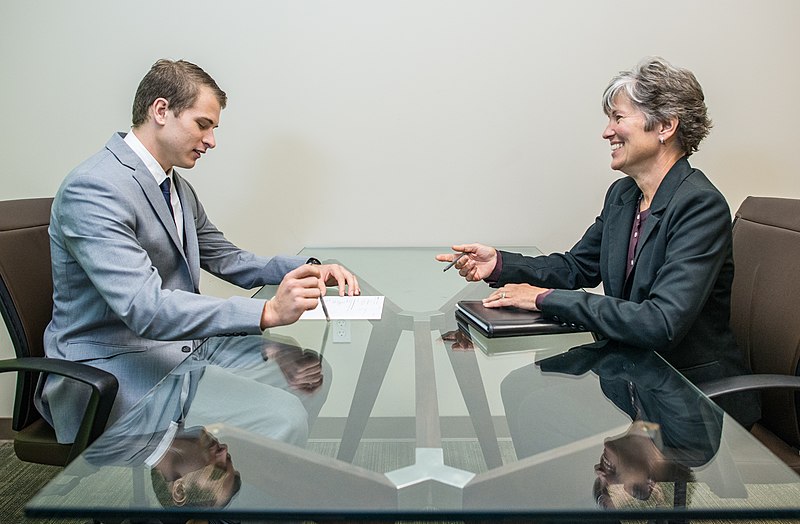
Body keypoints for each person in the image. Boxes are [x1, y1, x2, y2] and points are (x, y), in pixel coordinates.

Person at [36, 58, 358, 444]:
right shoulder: (94, 189)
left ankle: (239, 481)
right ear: (160, 110)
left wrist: (307, 268)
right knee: (282, 414)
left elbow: (228, 259)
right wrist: (268, 310)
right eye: (203, 125)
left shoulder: (176, 187)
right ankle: (235, 491)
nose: (211, 140)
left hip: (179, 348)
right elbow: (147, 309)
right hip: (114, 369)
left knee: (309, 372)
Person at [437, 57, 759, 427]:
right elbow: (577, 267)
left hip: (688, 390)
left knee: (541, 406)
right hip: (634, 367)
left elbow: (661, 322)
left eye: (618, 118)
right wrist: (499, 264)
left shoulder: (701, 205)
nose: (607, 132)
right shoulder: (624, 195)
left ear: (666, 126)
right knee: (523, 387)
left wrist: (542, 298)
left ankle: (596, 484)